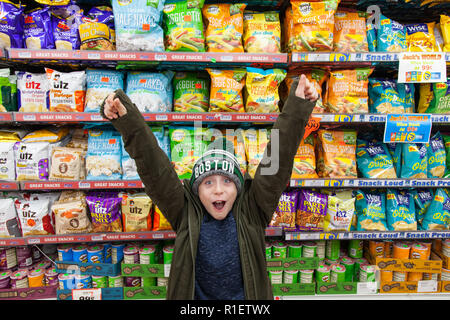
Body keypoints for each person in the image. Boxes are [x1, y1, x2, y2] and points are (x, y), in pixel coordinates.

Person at [101, 74, 318, 300]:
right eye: (208, 182)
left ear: (239, 188)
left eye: (227, 181)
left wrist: (297, 107)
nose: (218, 190)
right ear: (195, 190)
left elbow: (278, 160)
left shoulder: (252, 211)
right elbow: (155, 168)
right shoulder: (185, 212)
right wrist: (127, 119)